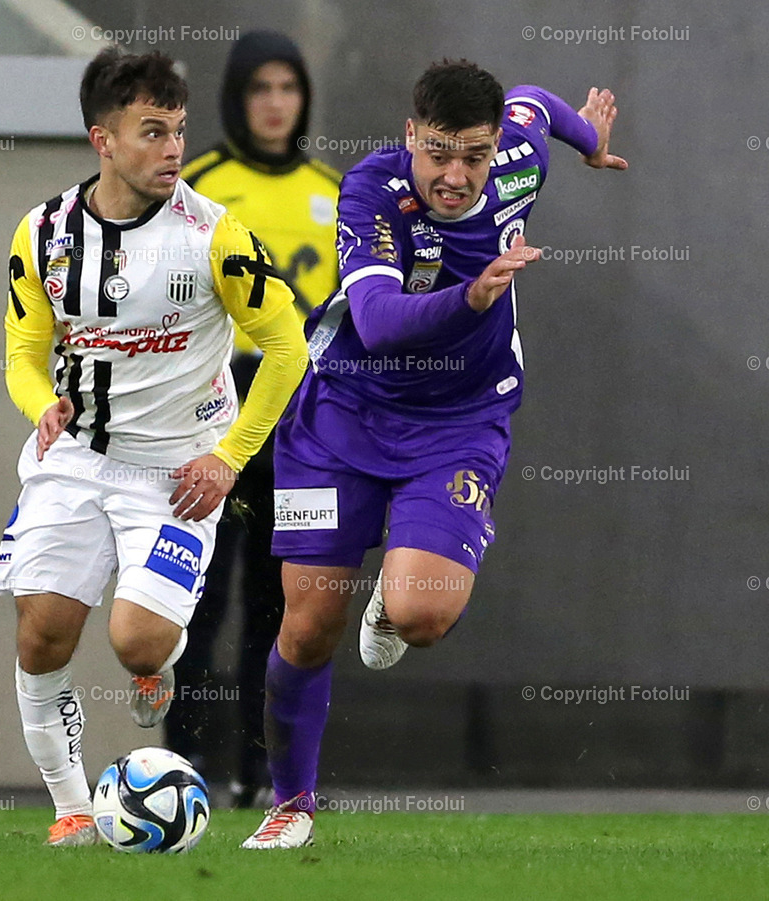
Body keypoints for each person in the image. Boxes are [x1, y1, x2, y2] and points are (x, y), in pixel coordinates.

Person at [241, 60, 628, 849]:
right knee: (309, 625)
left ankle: (398, 586)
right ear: (411, 133)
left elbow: (535, 103)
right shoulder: (374, 191)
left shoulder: (516, 158)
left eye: (474, 156)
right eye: (440, 151)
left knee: (420, 615)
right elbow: (379, 320)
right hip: (343, 416)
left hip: (459, 421)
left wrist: (587, 140)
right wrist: (474, 296)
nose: (456, 175)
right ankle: (291, 804)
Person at [0, 46, 308, 847]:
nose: (173, 149)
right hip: (79, 456)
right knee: (42, 630)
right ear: (104, 139)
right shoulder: (45, 234)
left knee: (137, 636)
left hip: (181, 471)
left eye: (179, 130)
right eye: (153, 132)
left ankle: (149, 666)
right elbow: (25, 353)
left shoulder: (213, 234)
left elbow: (288, 348)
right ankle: (70, 805)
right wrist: (42, 404)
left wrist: (228, 456)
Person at [163, 30, 341, 809]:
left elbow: (349, 316)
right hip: (210, 417)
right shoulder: (195, 184)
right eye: (260, 88)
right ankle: (184, 771)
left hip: (300, 426)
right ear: (237, 97)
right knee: (196, 605)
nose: (275, 103)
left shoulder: (336, 191)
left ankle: (269, 777)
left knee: (285, 611)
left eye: (287, 88)